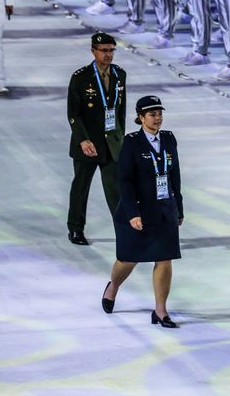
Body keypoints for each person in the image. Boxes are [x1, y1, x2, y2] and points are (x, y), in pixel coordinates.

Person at [102, 95, 184, 328]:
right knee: (128, 259)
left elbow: (174, 175)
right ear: (140, 118)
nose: (157, 118)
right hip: (138, 210)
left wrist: (178, 206)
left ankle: (160, 310)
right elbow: (125, 181)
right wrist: (132, 213)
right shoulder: (131, 143)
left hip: (164, 209)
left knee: (164, 258)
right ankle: (113, 286)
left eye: (159, 114)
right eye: (152, 114)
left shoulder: (169, 140)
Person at [66, 33, 127, 245]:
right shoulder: (81, 78)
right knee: (81, 189)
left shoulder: (120, 75)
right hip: (88, 145)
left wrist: (122, 139)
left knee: (117, 191)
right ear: (93, 51)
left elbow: (120, 111)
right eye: (104, 50)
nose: (108, 54)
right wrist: (83, 140)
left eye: (111, 50)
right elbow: (73, 113)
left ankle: (124, 231)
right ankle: (75, 229)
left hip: (112, 144)